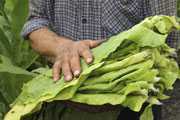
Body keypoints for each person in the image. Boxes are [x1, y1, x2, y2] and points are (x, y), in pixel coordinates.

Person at [22, 0, 180, 120]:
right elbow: (36, 23)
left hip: (130, 105)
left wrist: (114, 82)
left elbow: (166, 34)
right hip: (60, 98)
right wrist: (62, 47)